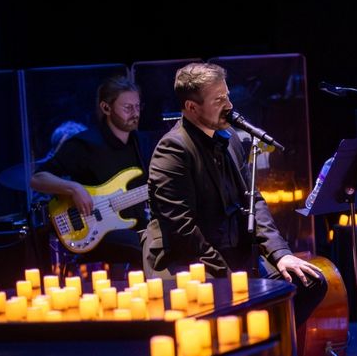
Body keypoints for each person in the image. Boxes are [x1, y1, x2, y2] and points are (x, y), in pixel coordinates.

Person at [141, 62, 326, 325]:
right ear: (192, 108)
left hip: (234, 250)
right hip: (191, 259)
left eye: (227, 95)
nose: (228, 105)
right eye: (218, 99)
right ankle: (252, 354)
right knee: (242, 303)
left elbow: (254, 199)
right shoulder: (172, 150)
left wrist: (280, 253)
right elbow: (182, 230)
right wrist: (231, 278)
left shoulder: (229, 138)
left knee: (309, 284)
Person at [30, 76, 151, 270]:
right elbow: (37, 178)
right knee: (142, 246)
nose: (135, 113)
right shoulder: (85, 144)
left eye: (138, 107)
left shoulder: (141, 144)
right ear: (106, 108)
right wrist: (73, 188)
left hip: (136, 224)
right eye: (127, 108)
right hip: (92, 230)